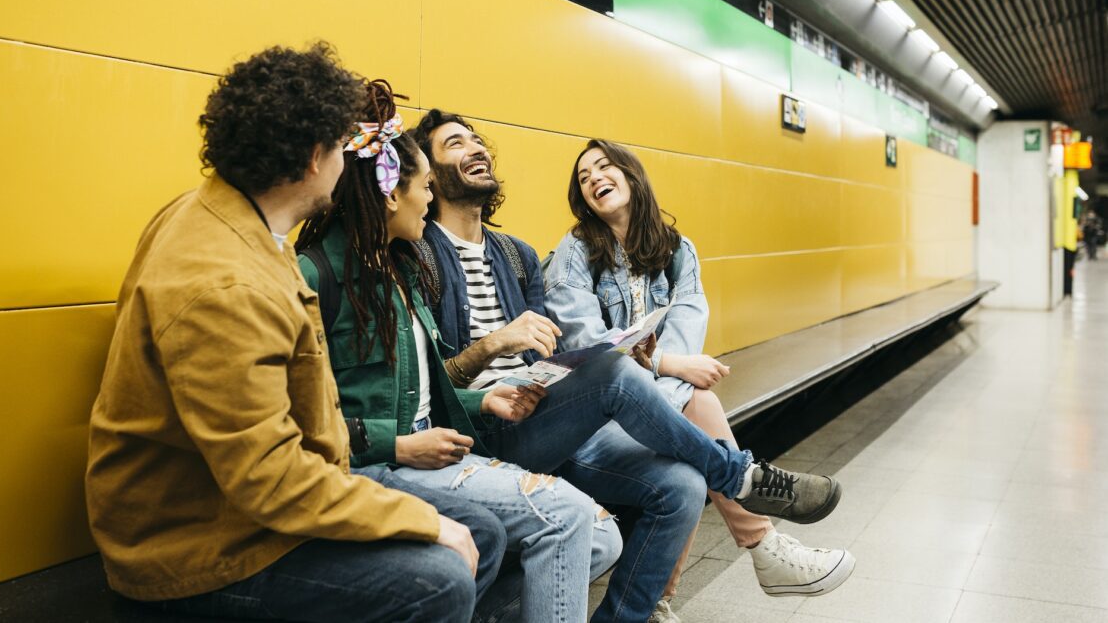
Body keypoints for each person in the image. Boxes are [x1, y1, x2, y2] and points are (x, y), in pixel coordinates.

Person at [85, 45, 507, 623]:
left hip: (248, 514)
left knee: (479, 529)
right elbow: (271, 480)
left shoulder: (225, 216)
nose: (351, 162)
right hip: (198, 553)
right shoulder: (225, 285)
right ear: (315, 158)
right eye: (342, 146)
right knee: (437, 581)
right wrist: (425, 520)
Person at [409, 109, 845, 623]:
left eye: (477, 140)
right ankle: (742, 478)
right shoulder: (417, 255)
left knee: (682, 487)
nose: (476, 148)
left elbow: (554, 353)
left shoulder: (519, 254)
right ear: (429, 176)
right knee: (622, 373)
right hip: (480, 425)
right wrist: (492, 349)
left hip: (546, 413)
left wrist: (556, 371)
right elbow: (424, 380)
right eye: (456, 143)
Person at [296, 80, 623, 622]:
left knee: (600, 536)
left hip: (437, 450)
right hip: (382, 465)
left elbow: (424, 388)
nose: (430, 197)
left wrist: (484, 403)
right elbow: (307, 424)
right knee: (568, 516)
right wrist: (400, 444)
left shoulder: (400, 267)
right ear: (389, 192)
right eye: (424, 186)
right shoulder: (317, 273)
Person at [545, 139, 856, 622]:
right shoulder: (574, 252)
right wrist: (664, 366)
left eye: (603, 167)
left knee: (690, 441)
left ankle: (660, 603)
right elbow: (587, 347)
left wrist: (666, 374)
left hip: (662, 401)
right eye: (583, 178)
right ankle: (761, 543)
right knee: (698, 405)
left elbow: (688, 334)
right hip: (597, 412)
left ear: (631, 174)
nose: (593, 179)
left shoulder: (676, 250)